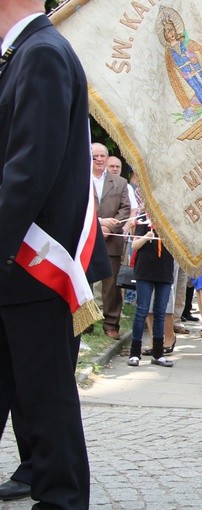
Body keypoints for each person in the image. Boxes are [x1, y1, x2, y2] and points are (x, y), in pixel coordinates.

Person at [0, 1, 111, 506]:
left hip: (33, 275)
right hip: (14, 272)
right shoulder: (24, 53)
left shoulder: (42, 54)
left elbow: (27, 174)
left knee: (47, 418)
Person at [92, 142, 131, 339]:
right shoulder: (80, 179)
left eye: (102, 156)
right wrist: (99, 224)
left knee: (111, 284)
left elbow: (125, 209)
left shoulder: (120, 182)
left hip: (111, 239)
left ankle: (110, 324)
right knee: (84, 280)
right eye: (95, 156)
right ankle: (84, 323)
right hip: (86, 238)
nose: (99, 159)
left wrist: (109, 227)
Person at [127, 219, 175, 367]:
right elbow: (134, 245)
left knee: (160, 312)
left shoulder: (173, 224)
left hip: (165, 272)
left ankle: (158, 354)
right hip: (145, 271)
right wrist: (146, 237)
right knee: (142, 310)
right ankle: (134, 353)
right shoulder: (145, 222)